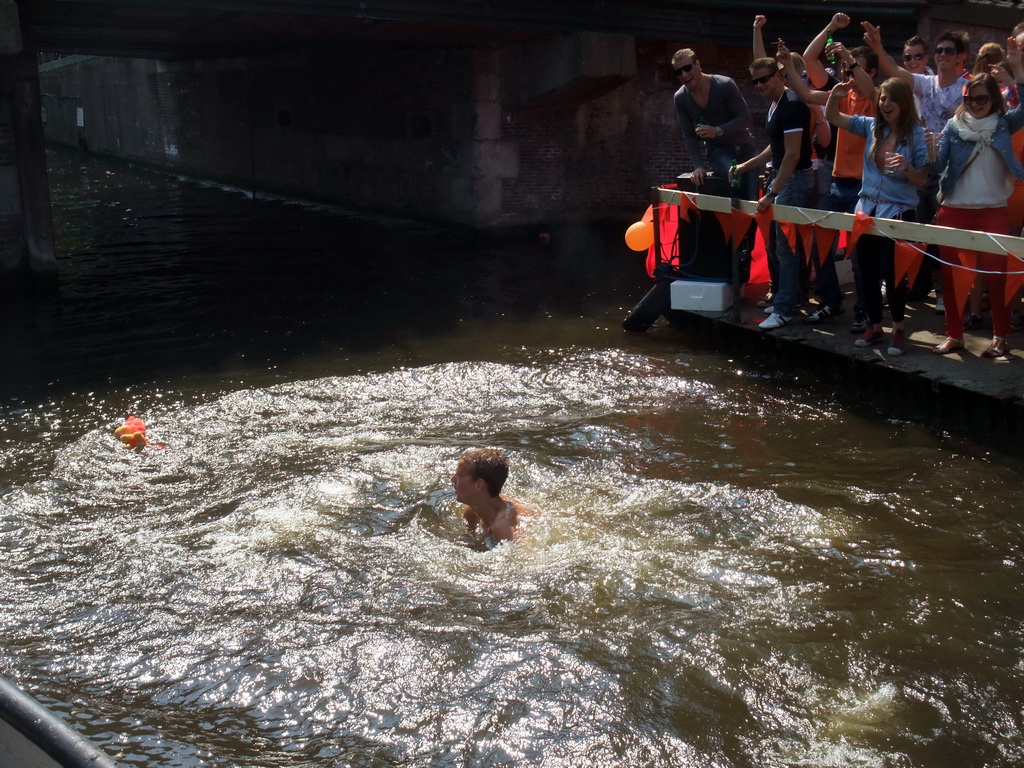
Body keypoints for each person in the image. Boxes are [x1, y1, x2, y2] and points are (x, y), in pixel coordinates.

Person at [863, 24, 971, 310]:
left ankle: (945, 290)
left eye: (948, 51)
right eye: (939, 50)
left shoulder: (968, 87)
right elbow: (897, 74)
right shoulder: (927, 83)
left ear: (962, 57)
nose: (942, 55)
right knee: (921, 231)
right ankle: (922, 285)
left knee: (947, 234)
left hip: (955, 169)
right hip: (926, 165)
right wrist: (877, 48)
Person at [777, 36, 878, 326]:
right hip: (838, 183)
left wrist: (847, 56)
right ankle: (832, 303)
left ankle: (864, 311)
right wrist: (787, 65)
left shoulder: (877, 98)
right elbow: (807, 96)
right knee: (820, 246)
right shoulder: (841, 94)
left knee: (860, 257)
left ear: (868, 71)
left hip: (865, 189)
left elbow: (870, 89)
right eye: (845, 71)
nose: (847, 75)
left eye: (853, 69)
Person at [825, 77, 929, 356]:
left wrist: (907, 167)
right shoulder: (871, 126)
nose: (885, 104)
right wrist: (834, 97)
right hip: (867, 210)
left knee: (891, 271)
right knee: (865, 270)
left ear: (904, 103)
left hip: (898, 210)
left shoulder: (917, 134)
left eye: (891, 99)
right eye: (882, 98)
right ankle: (874, 326)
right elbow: (833, 117)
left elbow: (921, 180)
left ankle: (897, 328)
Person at [929, 63, 1024, 358]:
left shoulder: (1004, 124)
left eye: (982, 99)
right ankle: (954, 335)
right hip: (954, 210)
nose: (975, 104)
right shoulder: (952, 126)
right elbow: (936, 168)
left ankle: (1000, 336)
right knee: (951, 276)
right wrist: (930, 150)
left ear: (994, 99)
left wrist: (1018, 74)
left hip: (993, 209)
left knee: (996, 276)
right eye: (970, 99)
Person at [730, 54, 813, 331]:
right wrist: (745, 166)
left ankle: (784, 309)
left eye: (764, 79)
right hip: (783, 178)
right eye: (755, 82)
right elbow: (774, 148)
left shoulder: (790, 105)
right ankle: (789, 297)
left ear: (779, 74)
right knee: (781, 246)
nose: (760, 85)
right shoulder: (775, 104)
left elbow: (791, 155)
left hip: (794, 179)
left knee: (785, 247)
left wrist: (773, 192)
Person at [671, 48, 757, 200]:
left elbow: (744, 118)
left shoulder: (724, 84)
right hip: (718, 150)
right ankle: (732, 220)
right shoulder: (681, 98)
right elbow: (689, 135)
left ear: (697, 64)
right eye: (679, 72)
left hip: (745, 147)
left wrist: (718, 130)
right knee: (734, 176)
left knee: (752, 195)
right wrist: (698, 165)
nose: (684, 75)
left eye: (687, 68)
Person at [451, 448, 527, 543]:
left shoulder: (503, 527)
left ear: (478, 485)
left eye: (459, 474)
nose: (452, 479)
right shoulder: (471, 512)